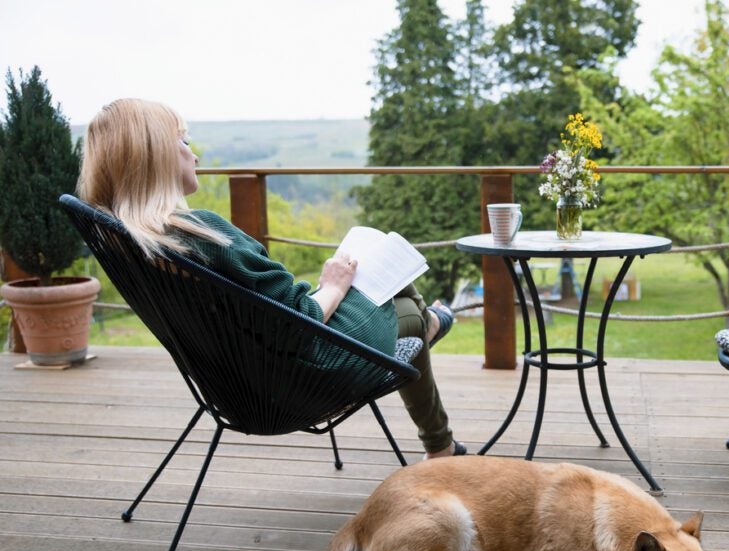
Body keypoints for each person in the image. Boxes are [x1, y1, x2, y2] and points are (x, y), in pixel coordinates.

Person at [78, 98, 464, 459]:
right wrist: (332, 285)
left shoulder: (128, 244)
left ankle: (438, 421)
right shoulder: (204, 236)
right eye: (184, 140)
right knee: (404, 308)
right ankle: (429, 336)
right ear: (157, 156)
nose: (193, 153)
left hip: (237, 391)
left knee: (394, 288)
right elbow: (304, 322)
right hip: (305, 382)